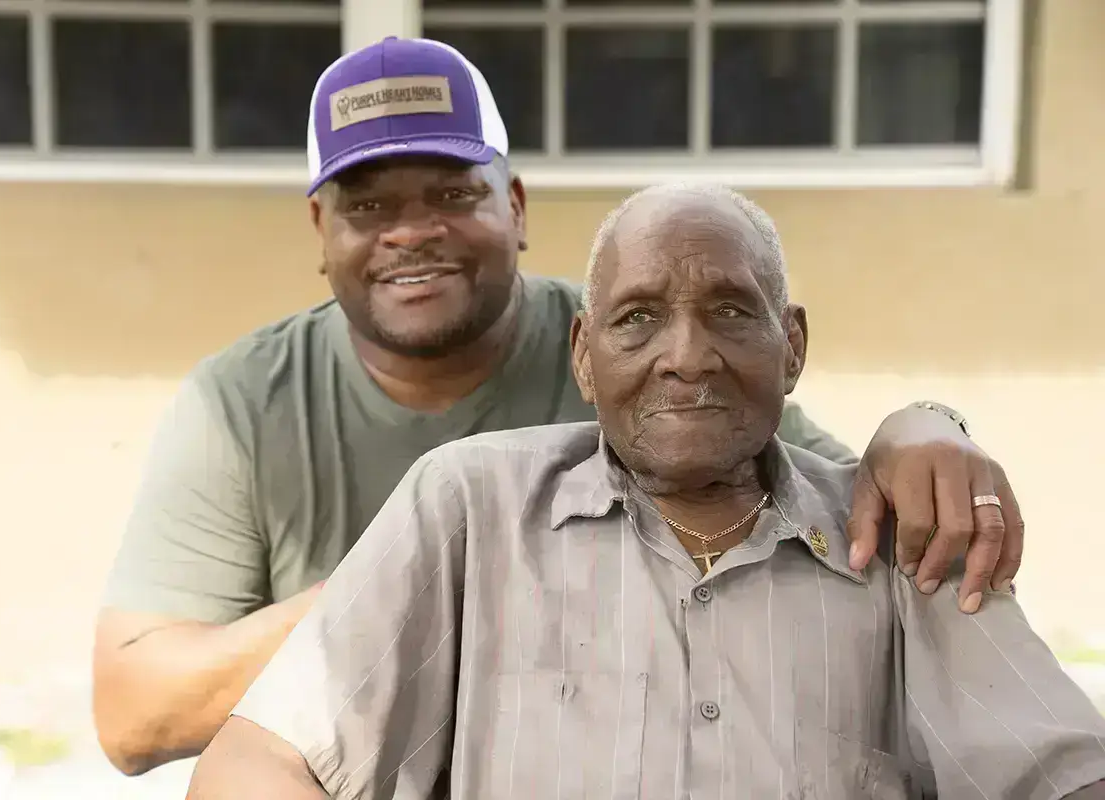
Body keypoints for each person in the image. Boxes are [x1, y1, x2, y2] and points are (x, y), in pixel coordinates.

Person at [93, 36, 1025, 776]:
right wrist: (425, 575)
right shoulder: (242, 406)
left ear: (516, 206)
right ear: (320, 229)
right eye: (368, 207)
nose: (412, 231)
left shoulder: (639, 354)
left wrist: (924, 423)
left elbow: (832, 507)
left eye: (453, 192)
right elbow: (135, 715)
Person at [188, 184, 1105, 800]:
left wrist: (929, 418)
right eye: (637, 319)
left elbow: (1067, 780)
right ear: (584, 356)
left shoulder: (898, 538)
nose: (687, 356)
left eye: (732, 311)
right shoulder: (469, 508)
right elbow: (259, 764)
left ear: (791, 347)